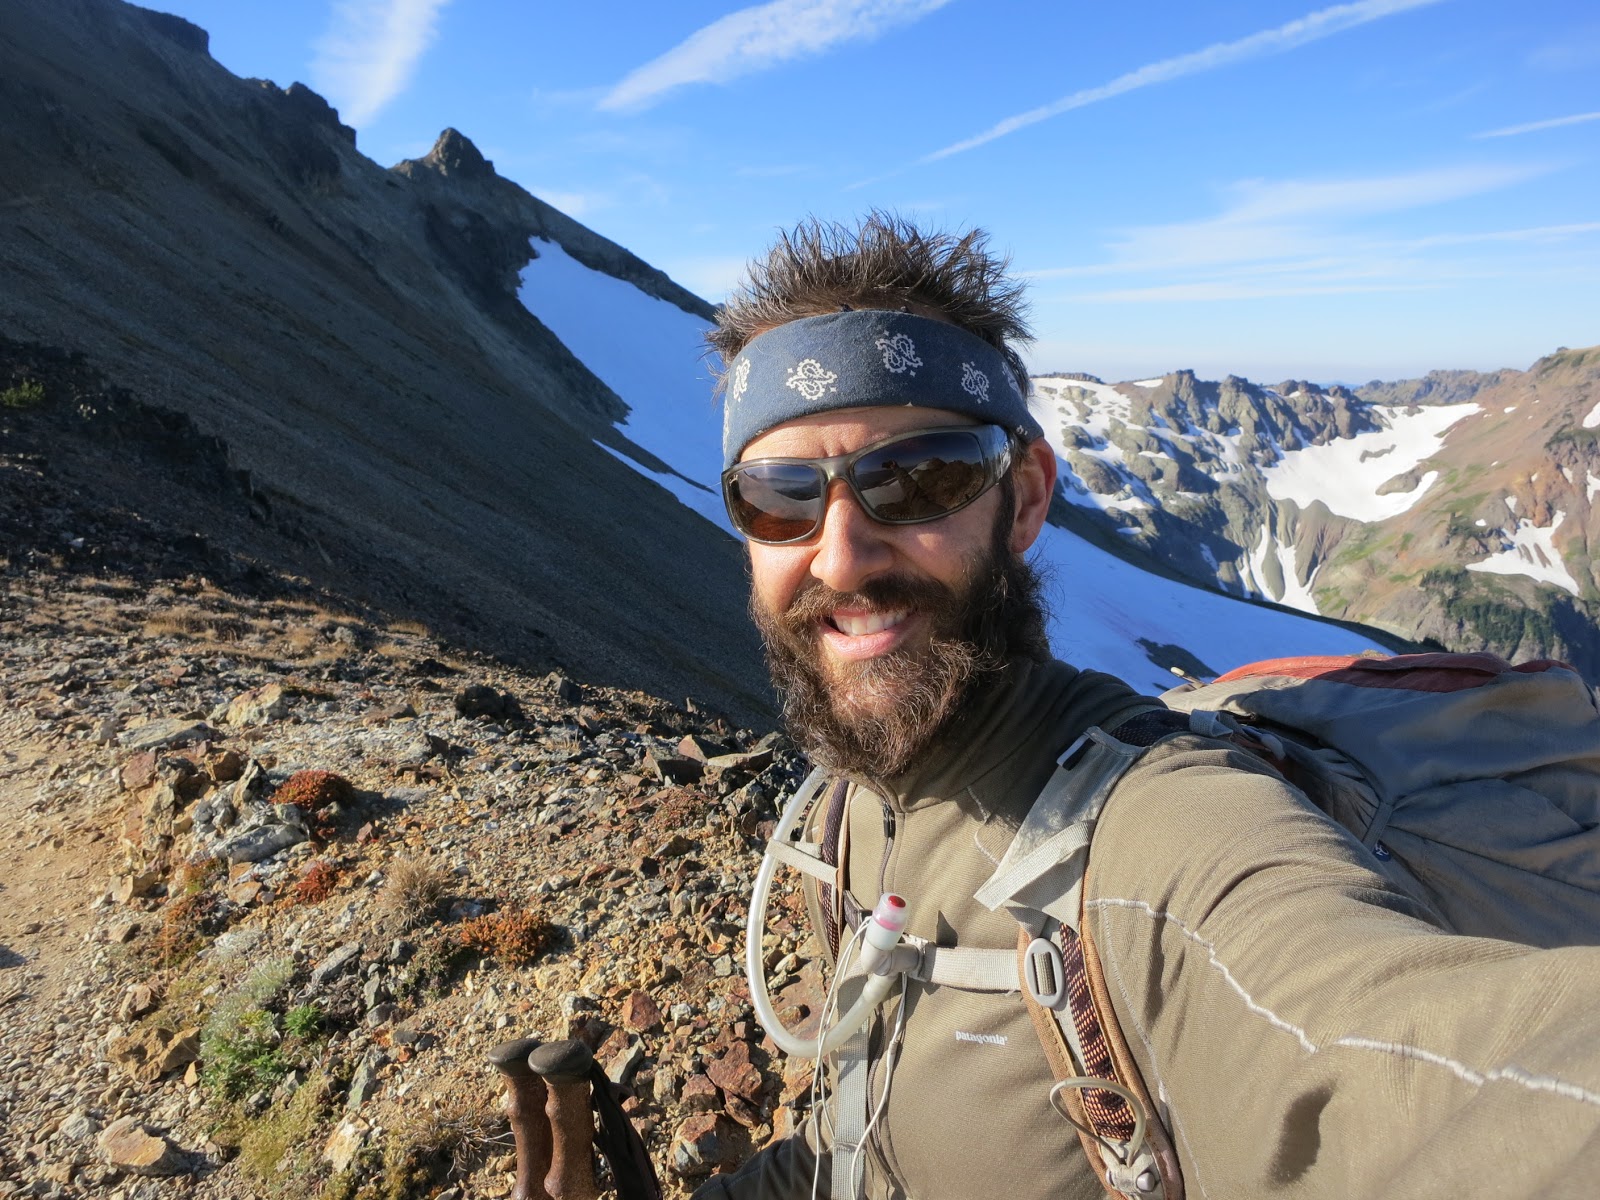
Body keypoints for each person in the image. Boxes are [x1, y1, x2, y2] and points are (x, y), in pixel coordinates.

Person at [692, 213, 1600, 1200]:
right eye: (780, 495)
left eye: (915, 480)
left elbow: (1409, 1070)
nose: (838, 556)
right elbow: (855, 1139)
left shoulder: (1158, 844)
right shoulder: (849, 815)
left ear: (1026, 499)